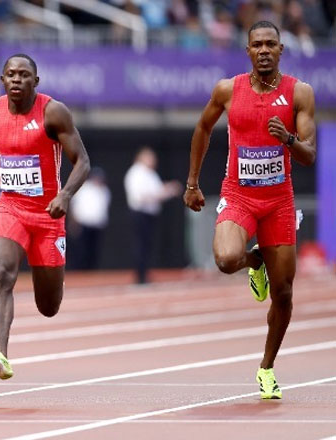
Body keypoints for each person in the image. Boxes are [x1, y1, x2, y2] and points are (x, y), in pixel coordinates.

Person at [184, 21, 316, 399]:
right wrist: (192, 183)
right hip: (239, 195)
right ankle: (255, 261)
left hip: (278, 202)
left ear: (280, 50)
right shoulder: (228, 89)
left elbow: (309, 155)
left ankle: (267, 367)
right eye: (256, 44)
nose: (263, 50)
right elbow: (202, 129)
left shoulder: (299, 93)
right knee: (225, 259)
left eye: (270, 45)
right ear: (247, 51)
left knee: (285, 293)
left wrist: (288, 138)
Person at [0, 54, 90, 380]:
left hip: (47, 215)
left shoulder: (53, 112)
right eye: (11, 74)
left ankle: (54, 274)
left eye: (24, 75)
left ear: (35, 82)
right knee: (0, 272)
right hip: (10, 207)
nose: (17, 80)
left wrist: (65, 195)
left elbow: (82, 161)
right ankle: (0, 354)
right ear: (2, 80)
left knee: (48, 306)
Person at [124, 147, 181, 284]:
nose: (153, 160)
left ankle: (144, 273)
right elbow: (142, 196)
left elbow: (157, 191)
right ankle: (140, 275)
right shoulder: (136, 173)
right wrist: (165, 192)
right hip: (140, 213)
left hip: (149, 214)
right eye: (149, 157)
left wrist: (168, 190)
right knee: (141, 245)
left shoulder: (150, 174)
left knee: (147, 245)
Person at [68, 166, 111, 270]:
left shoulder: (105, 191)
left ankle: (92, 272)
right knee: (82, 249)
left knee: (94, 250)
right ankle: (80, 272)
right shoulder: (83, 188)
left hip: (97, 225)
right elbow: (74, 205)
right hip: (84, 223)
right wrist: (74, 222)